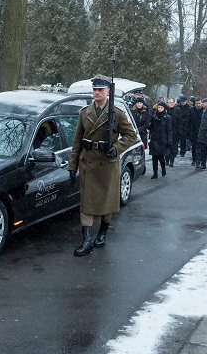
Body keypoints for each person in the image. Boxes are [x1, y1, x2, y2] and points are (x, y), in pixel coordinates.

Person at [68, 75, 137, 256]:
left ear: (108, 91)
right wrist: (72, 166)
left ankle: (103, 232)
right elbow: (77, 141)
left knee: (107, 202)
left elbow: (131, 136)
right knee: (86, 203)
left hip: (107, 163)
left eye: (100, 90)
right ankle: (86, 240)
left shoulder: (117, 113)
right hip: (88, 162)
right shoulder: (85, 113)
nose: (96, 92)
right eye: (95, 89)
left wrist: (117, 148)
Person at [148, 102, 172, 179]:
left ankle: (163, 169)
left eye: (161, 107)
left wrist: (169, 139)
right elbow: (150, 127)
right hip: (154, 138)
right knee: (154, 157)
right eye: (159, 107)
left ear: (164, 108)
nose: (160, 109)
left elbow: (169, 129)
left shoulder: (167, 117)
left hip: (162, 139)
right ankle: (155, 173)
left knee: (161, 157)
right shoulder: (154, 117)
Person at [165, 97, 178, 166]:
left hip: (175, 132)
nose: (172, 104)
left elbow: (180, 121)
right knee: (166, 147)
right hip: (166, 131)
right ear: (167, 103)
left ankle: (172, 161)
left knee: (173, 147)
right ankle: (166, 160)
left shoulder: (177, 110)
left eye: (173, 102)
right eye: (170, 102)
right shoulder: (164, 110)